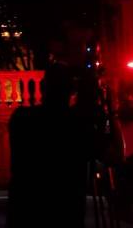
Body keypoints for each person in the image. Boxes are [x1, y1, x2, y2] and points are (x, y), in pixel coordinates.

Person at [7, 64, 87, 228]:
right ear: (71, 91)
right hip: (65, 209)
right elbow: (110, 154)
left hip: (26, 207)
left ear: (43, 88)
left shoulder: (22, 118)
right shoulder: (76, 124)